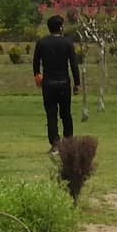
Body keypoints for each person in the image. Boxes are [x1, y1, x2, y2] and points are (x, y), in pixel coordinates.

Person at [33, 14, 82, 147]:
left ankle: (55, 144)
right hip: (64, 83)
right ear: (60, 27)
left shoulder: (41, 43)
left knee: (51, 114)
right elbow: (73, 64)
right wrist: (77, 83)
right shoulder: (67, 43)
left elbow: (36, 63)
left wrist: (37, 76)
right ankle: (68, 142)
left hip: (48, 83)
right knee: (66, 113)